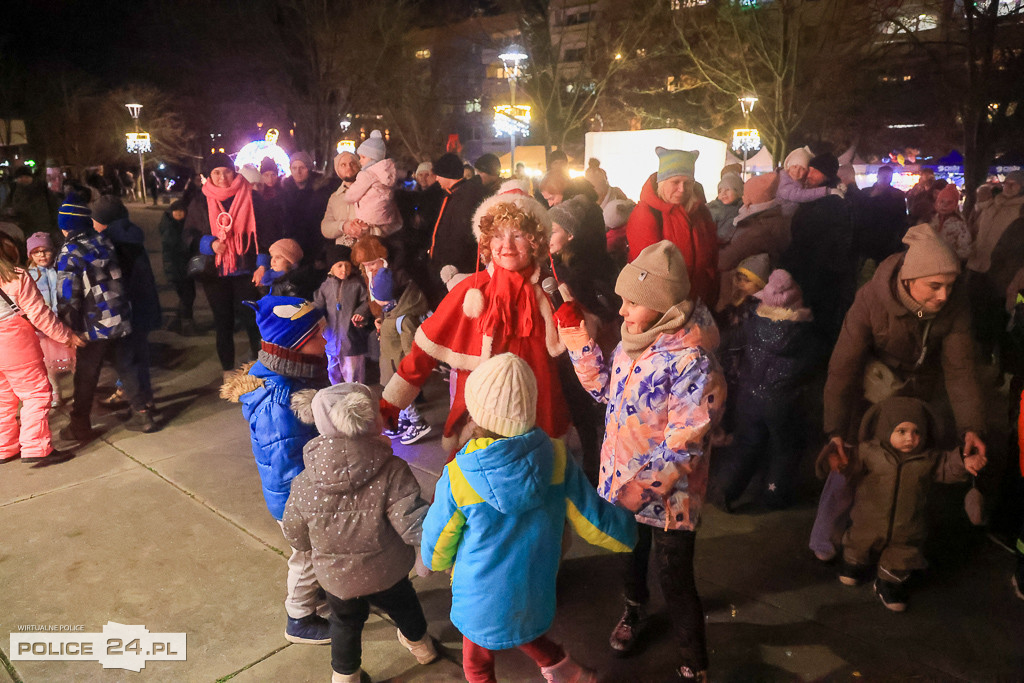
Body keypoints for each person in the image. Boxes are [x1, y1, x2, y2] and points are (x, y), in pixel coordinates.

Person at [556, 240, 725, 680]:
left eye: (633, 302)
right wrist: (578, 340)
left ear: (664, 305)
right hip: (622, 479)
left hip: (669, 498)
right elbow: (607, 395)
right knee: (630, 557)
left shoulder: (693, 360)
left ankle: (693, 661)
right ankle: (634, 611)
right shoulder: (636, 342)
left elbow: (687, 441)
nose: (623, 310)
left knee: (675, 577)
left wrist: (641, 488)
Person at [421, 353, 637, 683]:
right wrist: (628, 530)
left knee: (477, 664)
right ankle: (569, 673)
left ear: (476, 412)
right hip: (533, 590)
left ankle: (568, 672)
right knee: (522, 630)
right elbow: (592, 518)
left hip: (479, 597)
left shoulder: (458, 477)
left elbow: (438, 542)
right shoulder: (558, 458)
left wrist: (433, 561)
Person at [812, 222, 988, 562]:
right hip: (873, 389)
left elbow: (961, 369)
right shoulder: (871, 299)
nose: (944, 296)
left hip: (919, 392)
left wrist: (971, 428)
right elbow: (843, 367)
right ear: (908, 280)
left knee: (912, 469)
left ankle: (896, 546)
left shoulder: (954, 306)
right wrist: (835, 429)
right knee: (852, 461)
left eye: (950, 286)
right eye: (935, 286)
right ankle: (829, 533)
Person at [384, 188, 571, 453]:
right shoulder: (470, 290)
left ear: (535, 241)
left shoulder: (551, 290)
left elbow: (580, 351)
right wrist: (393, 401)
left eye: (517, 235)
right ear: (485, 242)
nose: (506, 245)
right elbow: (424, 349)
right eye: (497, 236)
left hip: (538, 409)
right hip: (478, 413)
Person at [282, 383, 438, 683]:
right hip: (387, 571)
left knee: (345, 625)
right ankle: (423, 649)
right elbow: (412, 523)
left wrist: (310, 548)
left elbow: (294, 530)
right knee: (406, 607)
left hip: (336, 579)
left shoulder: (304, 481)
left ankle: (345, 676)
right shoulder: (392, 469)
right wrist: (430, 549)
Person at [220, 295, 332, 646]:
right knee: (307, 558)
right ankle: (299, 616)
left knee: (320, 553)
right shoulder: (278, 401)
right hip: (296, 500)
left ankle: (320, 595)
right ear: (294, 345)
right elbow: (287, 465)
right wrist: (309, 505)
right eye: (317, 336)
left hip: (305, 493)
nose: (325, 341)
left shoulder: (292, 377)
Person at [824, 396, 985, 611]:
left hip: (907, 527)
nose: (910, 438)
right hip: (867, 520)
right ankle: (854, 563)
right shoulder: (869, 452)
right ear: (885, 428)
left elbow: (947, 466)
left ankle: (890, 582)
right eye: (901, 431)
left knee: (902, 555)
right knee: (857, 543)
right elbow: (850, 467)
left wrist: (965, 463)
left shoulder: (928, 459)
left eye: (916, 432)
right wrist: (840, 463)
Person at [717, 270, 816, 510]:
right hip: (781, 402)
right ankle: (774, 493)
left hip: (749, 396)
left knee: (746, 444)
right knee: (783, 450)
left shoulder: (753, 322)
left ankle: (727, 489)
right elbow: (811, 364)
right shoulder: (802, 333)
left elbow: (731, 341)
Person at [54, 198, 143, 442]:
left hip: (92, 325)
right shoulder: (104, 241)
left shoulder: (70, 251)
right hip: (119, 316)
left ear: (66, 227)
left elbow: (68, 295)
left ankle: (80, 425)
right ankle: (144, 413)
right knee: (127, 366)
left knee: (86, 375)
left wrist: (68, 328)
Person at [0, 231, 82, 465]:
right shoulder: (16, 276)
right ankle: (36, 447)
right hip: (16, 346)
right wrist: (66, 336)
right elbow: (39, 315)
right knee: (36, 394)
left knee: (3, 399)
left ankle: (4, 447)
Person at [183, 153, 267, 378]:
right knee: (223, 322)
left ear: (235, 171)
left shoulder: (251, 196)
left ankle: (261, 368)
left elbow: (266, 232)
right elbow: (188, 234)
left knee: (253, 320)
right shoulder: (201, 200)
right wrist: (208, 244)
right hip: (215, 273)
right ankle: (228, 370)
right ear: (208, 176)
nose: (222, 177)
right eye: (216, 172)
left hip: (246, 270)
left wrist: (262, 264)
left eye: (227, 171)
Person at [350, 236, 432, 446]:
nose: (368, 268)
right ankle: (404, 420)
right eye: (364, 265)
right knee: (394, 396)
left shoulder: (401, 314)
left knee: (403, 397)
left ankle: (417, 422)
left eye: (371, 263)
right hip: (390, 362)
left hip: (399, 366)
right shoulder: (390, 311)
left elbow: (410, 345)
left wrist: (408, 365)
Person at [91, 195, 162, 431]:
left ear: (102, 221)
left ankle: (141, 411)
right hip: (142, 306)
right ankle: (148, 401)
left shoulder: (108, 243)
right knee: (140, 357)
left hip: (122, 308)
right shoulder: (133, 236)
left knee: (125, 361)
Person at [625, 148, 719, 308]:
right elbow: (648, 270)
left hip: (698, 305)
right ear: (662, 183)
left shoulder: (701, 212)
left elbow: (712, 256)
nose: (682, 189)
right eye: (675, 182)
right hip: (663, 310)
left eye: (688, 183)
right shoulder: (647, 214)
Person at [781, 152, 856, 347]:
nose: (808, 175)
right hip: (808, 271)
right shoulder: (813, 198)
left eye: (815, 171)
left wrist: (817, 269)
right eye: (809, 170)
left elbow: (829, 242)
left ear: (827, 174)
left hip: (820, 276)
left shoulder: (833, 202)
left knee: (818, 322)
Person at [967, 170, 1024, 363]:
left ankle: (990, 353)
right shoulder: (992, 204)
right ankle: (975, 348)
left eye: (1013, 184)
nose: (1007, 187)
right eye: (1006, 183)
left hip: (1001, 272)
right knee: (973, 308)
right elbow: (976, 227)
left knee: (994, 314)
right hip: (977, 265)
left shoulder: (1020, 210)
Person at [716, 172, 790, 310]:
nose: (743, 196)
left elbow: (725, 259)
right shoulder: (773, 217)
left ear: (752, 198)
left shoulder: (758, 228)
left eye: (746, 193)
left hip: (741, 291)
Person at [425, 152, 487, 307]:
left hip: (457, 270)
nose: (437, 178)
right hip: (449, 269)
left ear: (447, 174)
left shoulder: (464, 199)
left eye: (439, 174)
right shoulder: (454, 195)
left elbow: (459, 238)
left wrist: (446, 262)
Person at [26, 231, 75, 406]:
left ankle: (79, 390)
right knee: (48, 366)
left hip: (64, 323)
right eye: (36, 252)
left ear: (53, 251)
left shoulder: (60, 269)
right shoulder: (29, 276)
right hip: (42, 328)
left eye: (45, 250)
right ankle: (55, 392)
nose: (41, 255)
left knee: (73, 361)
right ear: (30, 255)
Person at [314, 245, 369, 385]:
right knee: (333, 371)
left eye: (347, 265)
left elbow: (367, 302)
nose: (344, 269)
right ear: (331, 267)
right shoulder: (325, 286)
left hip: (351, 338)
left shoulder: (357, 284)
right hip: (331, 339)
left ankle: (356, 399)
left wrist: (360, 313)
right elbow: (318, 305)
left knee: (353, 373)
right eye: (339, 265)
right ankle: (339, 397)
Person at [343, 131, 401, 237]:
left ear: (373, 158)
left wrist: (347, 195)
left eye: (363, 157)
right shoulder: (388, 173)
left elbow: (352, 195)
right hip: (385, 217)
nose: (360, 161)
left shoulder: (367, 175)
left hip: (369, 219)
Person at [281, 151, 334, 266]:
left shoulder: (322, 190)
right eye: (294, 168)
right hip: (294, 246)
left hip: (317, 247)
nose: (298, 172)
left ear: (309, 169)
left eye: (302, 167)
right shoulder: (285, 191)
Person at [158, 200, 196, 335]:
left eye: (182, 211)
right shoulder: (170, 227)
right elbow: (178, 247)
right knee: (187, 296)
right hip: (176, 269)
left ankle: (176, 323)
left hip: (184, 267)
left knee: (187, 296)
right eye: (176, 211)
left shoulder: (181, 225)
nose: (179, 214)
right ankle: (186, 325)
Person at [776, 146, 832, 218]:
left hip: (793, 216)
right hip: (784, 219)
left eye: (802, 168)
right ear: (788, 167)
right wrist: (826, 191)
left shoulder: (799, 181)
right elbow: (801, 195)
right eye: (795, 166)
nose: (797, 171)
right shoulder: (784, 183)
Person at [320, 152, 360, 249]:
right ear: (337, 170)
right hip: (342, 253)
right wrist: (342, 226)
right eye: (343, 165)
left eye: (352, 163)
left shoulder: (371, 192)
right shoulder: (335, 197)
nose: (348, 167)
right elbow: (325, 227)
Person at [930, 184, 971, 261]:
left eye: (949, 202)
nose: (944, 206)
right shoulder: (932, 220)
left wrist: (951, 256)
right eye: (942, 201)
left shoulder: (959, 224)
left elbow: (966, 250)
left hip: (949, 265)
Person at [707, 172, 744, 241]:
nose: (723, 193)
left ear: (738, 192)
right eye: (720, 191)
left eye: (727, 189)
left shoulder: (743, 209)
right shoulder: (713, 208)